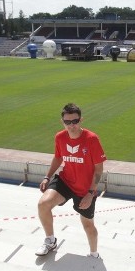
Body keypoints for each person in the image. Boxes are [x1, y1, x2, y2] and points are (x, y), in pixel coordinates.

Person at [35, 103, 107, 258]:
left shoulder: (92, 139)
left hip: (85, 188)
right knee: (43, 204)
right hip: (65, 181)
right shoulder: (60, 137)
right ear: (63, 122)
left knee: (88, 225)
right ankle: (50, 240)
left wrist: (90, 193)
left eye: (74, 121)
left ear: (81, 120)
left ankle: (94, 254)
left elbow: (99, 170)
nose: (71, 125)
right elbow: (58, 157)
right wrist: (47, 176)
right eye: (67, 122)